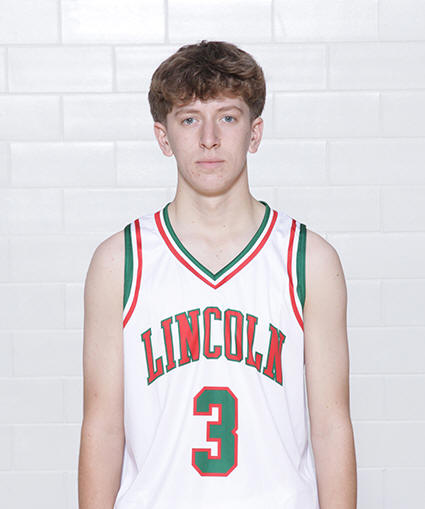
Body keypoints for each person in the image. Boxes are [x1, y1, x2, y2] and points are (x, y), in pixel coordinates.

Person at [78, 40, 357, 509]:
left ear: (255, 132)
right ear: (163, 137)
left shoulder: (309, 260)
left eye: (227, 117)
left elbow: (332, 427)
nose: (209, 138)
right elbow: (102, 428)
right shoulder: (118, 262)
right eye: (189, 119)